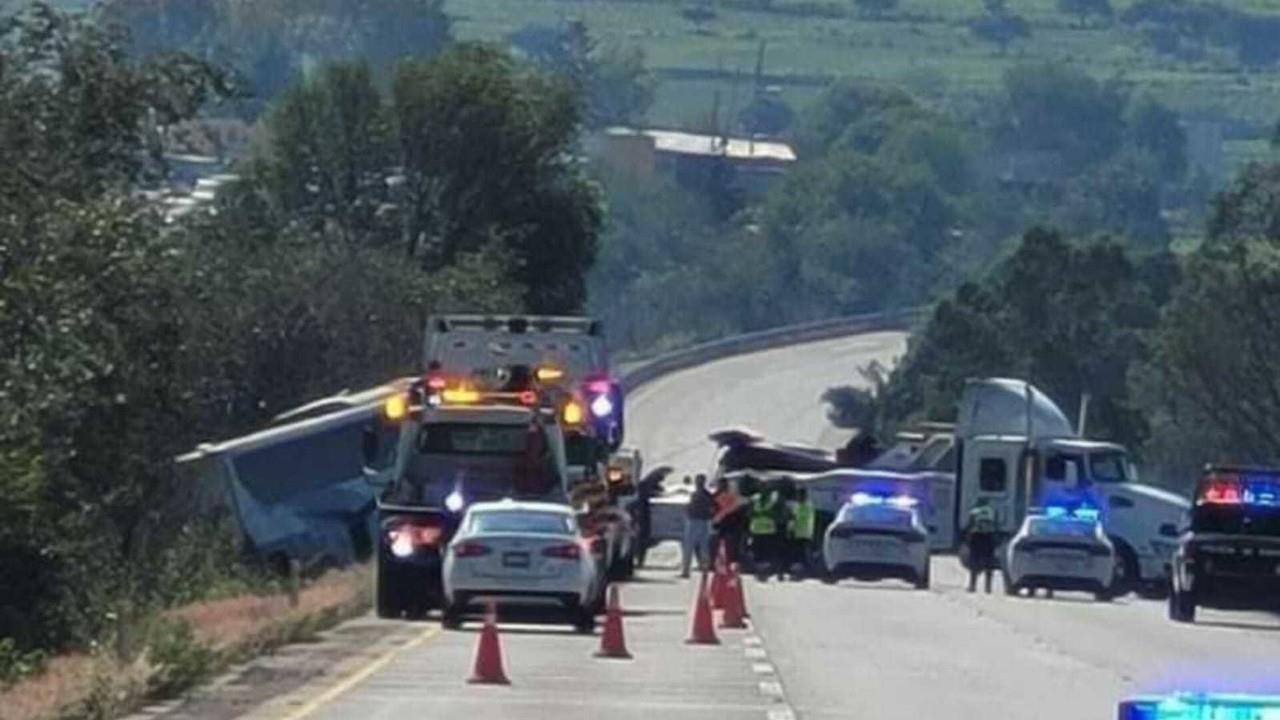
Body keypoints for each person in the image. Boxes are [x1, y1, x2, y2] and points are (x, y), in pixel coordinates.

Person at [681, 474, 714, 578]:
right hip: (703, 522)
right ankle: (704, 569)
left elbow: (693, 508)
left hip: (695, 522)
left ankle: (687, 570)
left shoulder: (697, 495)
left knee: (689, 547)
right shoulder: (707, 495)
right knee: (703, 547)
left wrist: (687, 509)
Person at [711, 476, 747, 565]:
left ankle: (730, 562)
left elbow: (737, 511)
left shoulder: (732, 497)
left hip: (731, 526)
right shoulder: (716, 496)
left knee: (731, 547)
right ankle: (719, 562)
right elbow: (713, 510)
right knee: (719, 545)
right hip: (721, 525)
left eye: (723, 485)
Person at [749, 488, 784, 580]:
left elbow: (777, 514)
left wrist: (767, 513)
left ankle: (766, 571)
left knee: (767, 553)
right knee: (757, 553)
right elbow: (750, 513)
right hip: (757, 530)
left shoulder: (773, 501)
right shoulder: (755, 500)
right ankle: (760, 570)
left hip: (768, 531)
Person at [965, 499, 999, 593]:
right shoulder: (991, 511)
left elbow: (970, 526)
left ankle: (972, 586)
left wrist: (967, 540)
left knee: (974, 563)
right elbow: (996, 526)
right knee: (989, 564)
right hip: (988, 538)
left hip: (976, 538)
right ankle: (988, 588)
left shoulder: (974, 512)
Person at [787, 488, 816, 579]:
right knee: (798, 555)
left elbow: (796, 518)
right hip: (799, 533)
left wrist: (791, 521)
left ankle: (802, 572)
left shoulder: (806, 506)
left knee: (801, 555)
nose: (797, 497)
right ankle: (797, 571)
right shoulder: (799, 506)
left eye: (799, 495)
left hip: (802, 534)